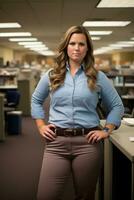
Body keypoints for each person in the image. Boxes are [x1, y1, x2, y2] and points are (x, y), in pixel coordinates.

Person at [31, 25, 124, 200]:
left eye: (81, 44)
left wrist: (106, 130)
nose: (76, 48)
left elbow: (117, 106)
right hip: (56, 144)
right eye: (72, 43)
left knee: (85, 196)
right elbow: (36, 100)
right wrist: (40, 125)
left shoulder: (98, 77)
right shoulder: (52, 75)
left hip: (88, 145)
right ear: (66, 46)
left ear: (87, 48)